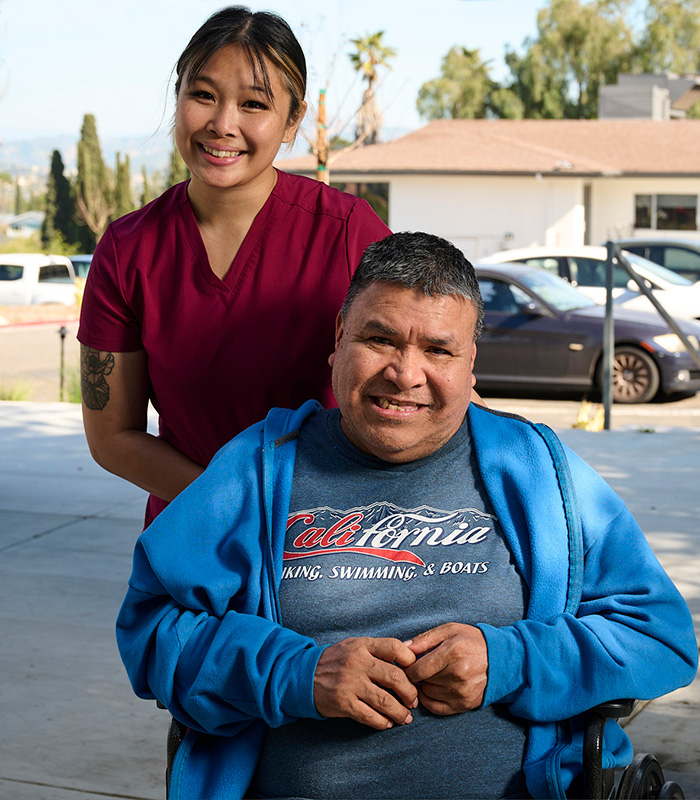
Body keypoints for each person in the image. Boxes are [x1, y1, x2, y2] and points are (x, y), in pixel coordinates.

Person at [116, 232, 698, 800]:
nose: (405, 373)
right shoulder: (257, 467)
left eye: (438, 350)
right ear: (339, 338)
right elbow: (153, 631)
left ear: (470, 363)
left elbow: (660, 638)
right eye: (380, 338)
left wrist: (511, 659)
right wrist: (297, 674)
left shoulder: (537, 468)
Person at [77, 6, 390, 526]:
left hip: (333, 538)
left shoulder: (347, 232)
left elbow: (427, 373)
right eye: (203, 95)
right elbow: (113, 436)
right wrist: (235, 504)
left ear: (292, 122)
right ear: (177, 100)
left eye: (253, 104)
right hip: (194, 532)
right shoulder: (127, 249)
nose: (223, 125)